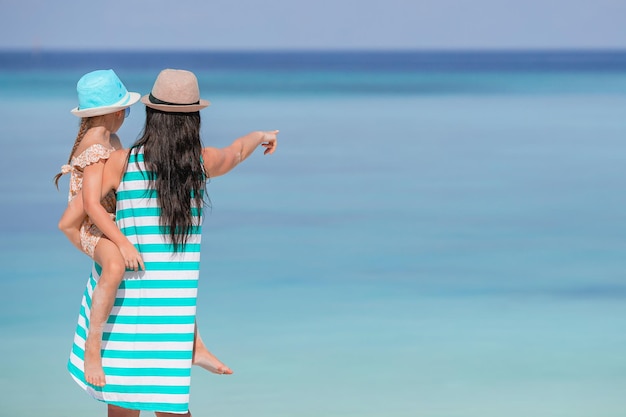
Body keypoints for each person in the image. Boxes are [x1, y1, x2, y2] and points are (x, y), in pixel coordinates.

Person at [67, 68, 278, 417]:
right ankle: (196, 347)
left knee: (121, 408)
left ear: (151, 115)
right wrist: (261, 135)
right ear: (193, 119)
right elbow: (236, 152)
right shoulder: (201, 163)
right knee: (172, 409)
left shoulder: (120, 163)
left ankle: (197, 347)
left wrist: (104, 247)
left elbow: (74, 218)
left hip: (125, 308)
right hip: (171, 317)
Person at [55, 69, 145, 388]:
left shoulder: (112, 139)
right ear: (119, 112)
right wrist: (121, 243)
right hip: (92, 228)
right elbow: (92, 206)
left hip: (107, 222)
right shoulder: (95, 148)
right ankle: (92, 348)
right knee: (116, 263)